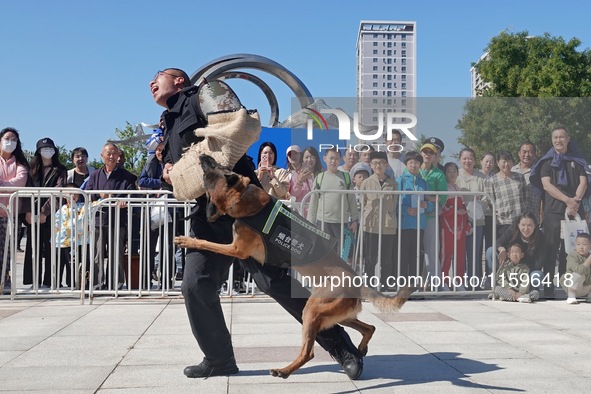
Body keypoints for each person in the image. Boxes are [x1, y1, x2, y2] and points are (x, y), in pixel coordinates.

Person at [150, 68, 363, 379]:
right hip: (207, 215)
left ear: (179, 80)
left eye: (159, 76)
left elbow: (239, 128)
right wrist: (169, 172)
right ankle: (219, 358)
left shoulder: (204, 95)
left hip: (247, 206)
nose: (151, 83)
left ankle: (343, 348)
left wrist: (188, 167)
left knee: (273, 281)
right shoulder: (167, 123)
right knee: (195, 285)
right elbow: (181, 180)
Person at [530, 125, 588, 298]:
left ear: (568, 139)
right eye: (555, 138)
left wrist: (575, 202)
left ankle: (569, 288)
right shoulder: (546, 162)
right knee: (550, 250)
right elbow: (547, 185)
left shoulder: (577, 159)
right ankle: (548, 290)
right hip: (553, 211)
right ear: (552, 140)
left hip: (575, 211)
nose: (558, 140)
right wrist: (567, 200)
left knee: (571, 251)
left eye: (561, 137)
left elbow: (583, 181)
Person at [85, 142, 137, 290]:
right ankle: (97, 285)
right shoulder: (95, 175)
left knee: (116, 254)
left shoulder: (127, 176)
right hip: (98, 220)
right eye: (108, 153)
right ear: (102, 156)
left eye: (115, 153)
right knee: (97, 255)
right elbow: (87, 194)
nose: (112, 156)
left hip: (117, 220)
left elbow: (131, 195)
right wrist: (98, 194)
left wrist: (124, 200)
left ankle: (116, 285)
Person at [23, 137, 67, 288]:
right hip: (31, 214)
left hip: (51, 214)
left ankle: (50, 280)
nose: (47, 151)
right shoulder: (31, 169)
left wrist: (44, 212)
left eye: (50, 148)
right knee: (32, 247)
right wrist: (28, 211)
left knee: (50, 248)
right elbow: (26, 191)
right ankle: (33, 281)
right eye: (44, 148)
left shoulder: (60, 170)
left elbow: (58, 192)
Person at [138, 139, 175, 289]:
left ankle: (167, 280)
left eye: (163, 150)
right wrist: (160, 183)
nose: (160, 152)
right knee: (148, 246)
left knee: (169, 247)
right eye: (158, 150)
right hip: (151, 209)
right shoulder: (150, 163)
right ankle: (146, 280)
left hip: (170, 211)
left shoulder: (173, 164)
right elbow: (142, 181)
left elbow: (175, 181)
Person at [360, 151, 398, 290]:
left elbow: (394, 204)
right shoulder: (366, 183)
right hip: (371, 224)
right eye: (375, 163)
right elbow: (363, 202)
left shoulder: (392, 184)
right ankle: (369, 286)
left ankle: (385, 285)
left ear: (386, 165)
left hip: (388, 225)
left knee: (387, 259)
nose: (378, 166)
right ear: (370, 165)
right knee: (370, 258)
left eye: (381, 163)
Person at [307, 147, 359, 240]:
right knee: (324, 252)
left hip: (342, 222)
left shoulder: (346, 177)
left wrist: (355, 220)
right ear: (324, 158)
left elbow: (352, 200)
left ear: (340, 160)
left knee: (340, 253)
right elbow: (313, 202)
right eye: (331, 158)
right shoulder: (319, 178)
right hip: (323, 222)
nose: (333, 161)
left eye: (336, 159)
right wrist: (310, 222)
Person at [397, 151, 433, 283]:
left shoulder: (423, 182)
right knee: (403, 255)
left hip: (419, 225)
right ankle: (401, 284)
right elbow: (394, 204)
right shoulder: (400, 180)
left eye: (417, 163)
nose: (414, 165)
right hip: (404, 225)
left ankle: (415, 285)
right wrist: (406, 210)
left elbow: (431, 204)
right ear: (406, 164)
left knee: (417, 256)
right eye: (411, 162)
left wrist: (426, 205)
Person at [0, 127, 29, 289]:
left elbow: (20, 182)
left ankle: (5, 279)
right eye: (7, 138)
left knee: (7, 251)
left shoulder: (20, 163)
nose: (9, 142)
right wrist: (8, 185)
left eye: (13, 139)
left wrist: (2, 184)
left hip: (10, 213)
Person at [485, 212, 546, 289]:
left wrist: (519, 270)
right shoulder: (512, 231)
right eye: (523, 225)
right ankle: (495, 286)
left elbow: (538, 264)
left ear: (535, 226)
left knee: (538, 275)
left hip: (526, 270)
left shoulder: (540, 237)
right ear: (518, 225)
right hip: (509, 268)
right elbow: (498, 242)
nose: (526, 229)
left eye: (529, 225)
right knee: (490, 251)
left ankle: (528, 290)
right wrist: (502, 249)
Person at [456, 148, 487, 287]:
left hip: (477, 220)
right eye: (464, 158)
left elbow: (487, 197)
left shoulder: (482, 177)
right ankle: (459, 282)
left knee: (474, 252)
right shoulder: (455, 175)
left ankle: (473, 282)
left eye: (470, 158)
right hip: (458, 220)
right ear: (460, 159)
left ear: (475, 160)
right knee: (459, 252)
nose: (467, 161)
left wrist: (480, 199)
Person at [419, 141, 447, 281]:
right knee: (415, 250)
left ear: (435, 155)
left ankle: (434, 282)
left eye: (431, 153)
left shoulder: (439, 174)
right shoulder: (412, 169)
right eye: (425, 152)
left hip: (430, 215)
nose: (427, 155)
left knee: (431, 250)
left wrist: (427, 198)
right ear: (421, 153)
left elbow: (442, 197)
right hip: (413, 216)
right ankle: (415, 281)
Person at [440, 162, 470, 289]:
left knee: (460, 255)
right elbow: (443, 209)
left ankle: (459, 281)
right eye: (448, 171)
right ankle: (444, 281)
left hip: (460, 226)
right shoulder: (444, 188)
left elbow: (462, 207)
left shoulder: (458, 187)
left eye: (454, 171)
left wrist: (466, 220)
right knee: (446, 255)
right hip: (447, 226)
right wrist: (455, 211)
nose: (452, 174)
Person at [484, 150, 526, 237]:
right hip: (502, 223)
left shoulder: (520, 177)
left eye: (509, 161)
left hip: (520, 221)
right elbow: (490, 202)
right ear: (497, 163)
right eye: (503, 161)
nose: (506, 164)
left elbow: (526, 196)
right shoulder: (492, 180)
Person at [53, 183, 84, 288]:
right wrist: (52, 240)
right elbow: (56, 224)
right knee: (58, 264)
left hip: (74, 242)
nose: (72, 196)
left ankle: (72, 283)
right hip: (60, 242)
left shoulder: (81, 208)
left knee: (72, 264)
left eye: (75, 194)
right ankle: (57, 283)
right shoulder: (61, 209)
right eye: (69, 194)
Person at [512, 142, 541, 224]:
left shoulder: (539, 171)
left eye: (530, 152)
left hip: (533, 218)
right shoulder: (512, 170)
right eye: (524, 152)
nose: (527, 155)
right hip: (515, 218)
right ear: (519, 153)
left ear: (534, 154)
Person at [561, 233, 591, 304]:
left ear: (590, 245)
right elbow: (578, 270)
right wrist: (589, 260)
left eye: (584, 244)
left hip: (586, 287)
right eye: (578, 244)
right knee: (578, 274)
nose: (581, 247)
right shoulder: (572, 256)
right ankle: (571, 296)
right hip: (573, 287)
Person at [480, 152, 496, 260]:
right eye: (486, 161)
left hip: (491, 214)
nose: (488, 164)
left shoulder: (495, 177)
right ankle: (478, 274)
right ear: (481, 162)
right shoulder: (476, 175)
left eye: (491, 162)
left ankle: (491, 274)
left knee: (490, 245)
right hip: (478, 215)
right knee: (478, 244)